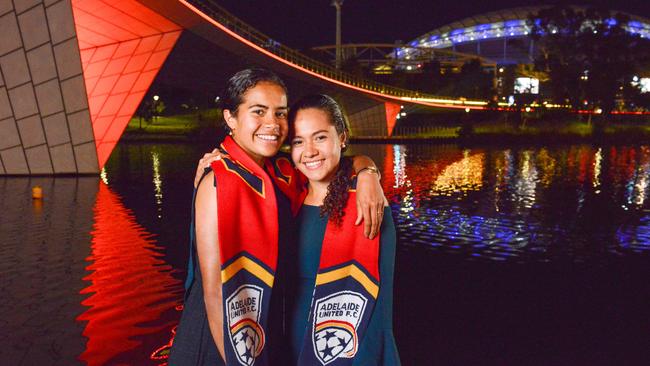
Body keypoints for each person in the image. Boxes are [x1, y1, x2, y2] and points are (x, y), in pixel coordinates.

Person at [168, 69, 386, 366]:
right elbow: (215, 295)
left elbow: (336, 162)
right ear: (230, 118)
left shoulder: (281, 173)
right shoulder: (218, 181)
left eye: (280, 113)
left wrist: (367, 171)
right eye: (258, 111)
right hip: (220, 341)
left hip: (265, 330)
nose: (272, 124)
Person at [286, 94, 400, 365]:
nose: (309, 151)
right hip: (290, 338)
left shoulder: (366, 202)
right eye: (298, 141)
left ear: (342, 138)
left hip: (347, 345)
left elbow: (377, 304)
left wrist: (367, 172)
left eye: (321, 137)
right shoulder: (287, 195)